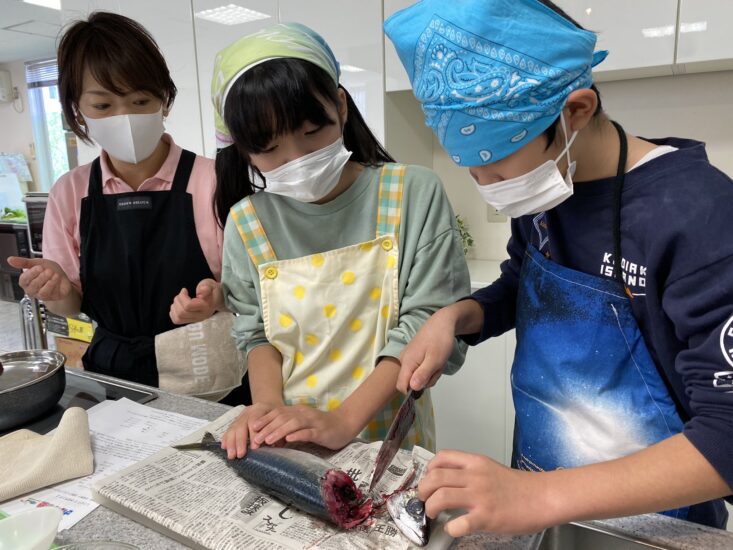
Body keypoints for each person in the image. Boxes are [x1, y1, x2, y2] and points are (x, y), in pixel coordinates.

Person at [385, 0, 733, 536]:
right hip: (543, 498)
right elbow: (521, 285)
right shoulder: (549, 193)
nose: (490, 188)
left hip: (657, 522)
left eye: (499, 165)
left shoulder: (695, 213)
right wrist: (456, 317)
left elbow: (727, 432)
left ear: (576, 110)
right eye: (474, 172)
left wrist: (542, 495)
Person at [208, 22, 470, 459]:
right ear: (243, 150)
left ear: (341, 107)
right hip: (292, 441)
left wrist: (345, 422)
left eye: (312, 132)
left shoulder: (411, 192)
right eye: (269, 149)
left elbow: (426, 321)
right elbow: (256, 336)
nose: (298, 158)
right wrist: (268, 412)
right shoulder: (247, 222)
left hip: (391, 443)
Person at [7, 12, 233, 393]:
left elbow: (251, 293)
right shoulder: (69, 192)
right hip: (112, 374)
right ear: (77, 110)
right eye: (103, 106)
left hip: (207, 373)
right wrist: (59, 291)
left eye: (140, 100)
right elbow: (70, 306)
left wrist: (217, 298)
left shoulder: (217, 181)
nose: (125, 117)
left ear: (165, 99)